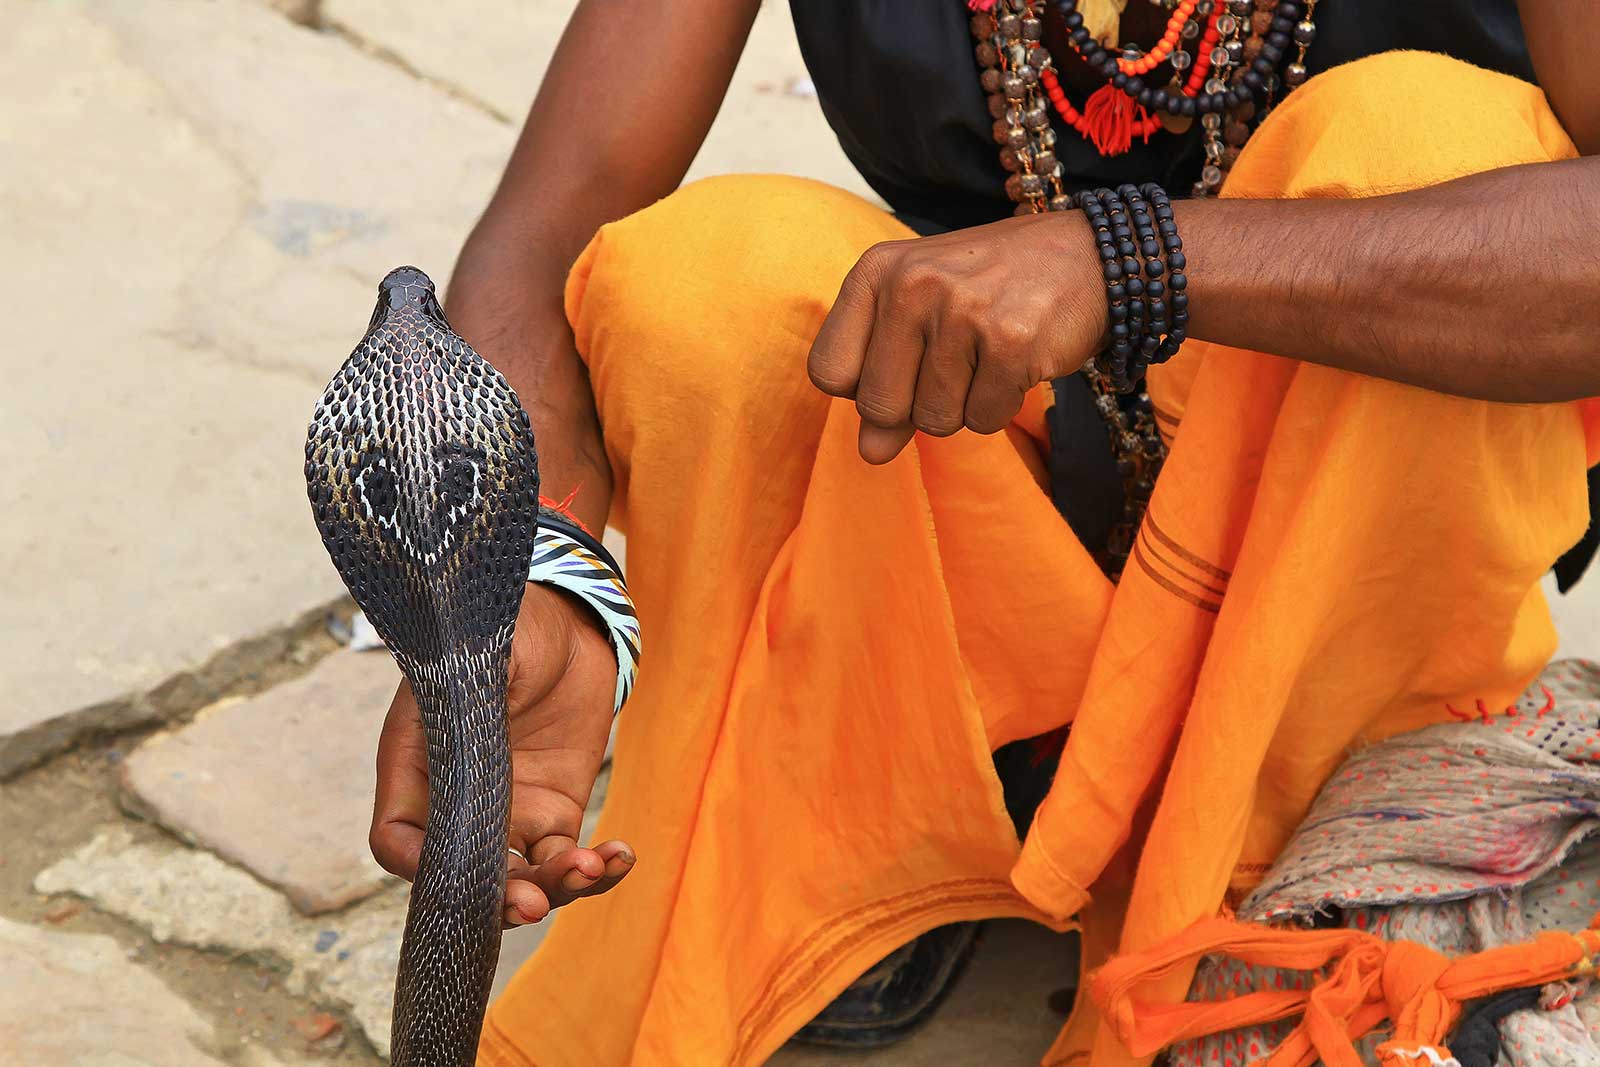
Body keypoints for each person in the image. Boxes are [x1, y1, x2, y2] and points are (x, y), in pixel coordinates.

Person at [366, 1, 1600, 1064]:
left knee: (1421, 142)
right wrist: (521, 569)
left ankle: (1282, 889)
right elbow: (540, 238)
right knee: (709, 278)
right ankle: (876, 842)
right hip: (997, 471)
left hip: (1343, 581)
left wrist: (1129, 257)